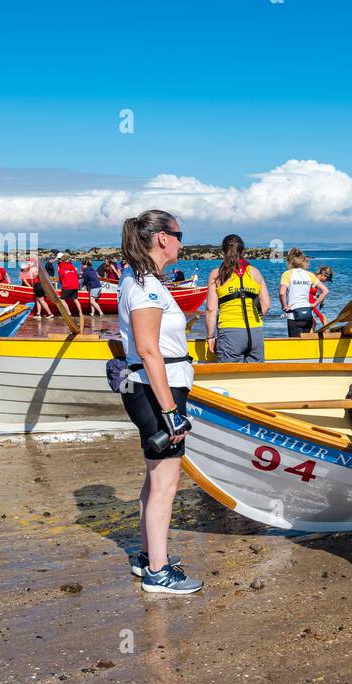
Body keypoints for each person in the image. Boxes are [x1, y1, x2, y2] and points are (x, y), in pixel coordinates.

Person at [117, 210, 202, 595]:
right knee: (166, 483)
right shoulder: (146, 285)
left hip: (151, 387)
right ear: (163, 239)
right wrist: (170, 410)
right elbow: (149, 349)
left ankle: (148, 556)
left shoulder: (139, 279)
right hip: (158, 390)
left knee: (156, 478)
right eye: (180, 235)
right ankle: (158, 571)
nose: (183, 243)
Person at [204, 234, 270, 362]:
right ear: (243, 252)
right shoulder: (255, 272)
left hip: (230, 333)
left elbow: (211, 309)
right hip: (255, 333)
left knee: (230, 379)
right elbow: (266, 304)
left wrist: (210, 336)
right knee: (255, 378)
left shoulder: (217, 274)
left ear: (223, 252)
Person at [278, 247, 323, 337]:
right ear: (303, 261)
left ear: (290, 261)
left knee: (295, 344)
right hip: (308, 314)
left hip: (293, 315)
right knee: (305, 343)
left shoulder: (287, 274)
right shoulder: (309, 274)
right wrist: (315, 304)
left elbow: (282, 293)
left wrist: (284, 306)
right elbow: (325, 290)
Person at [56, 253, 84, 320]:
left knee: (62, 299)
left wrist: (63, 284)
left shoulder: (61, 267)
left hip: (67, 286)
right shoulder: (72, 266)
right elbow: (76, 275)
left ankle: (69, 313)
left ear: (61, 260)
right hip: (75, 285)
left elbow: (60, 277)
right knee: (75, 299)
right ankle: (81, 313)